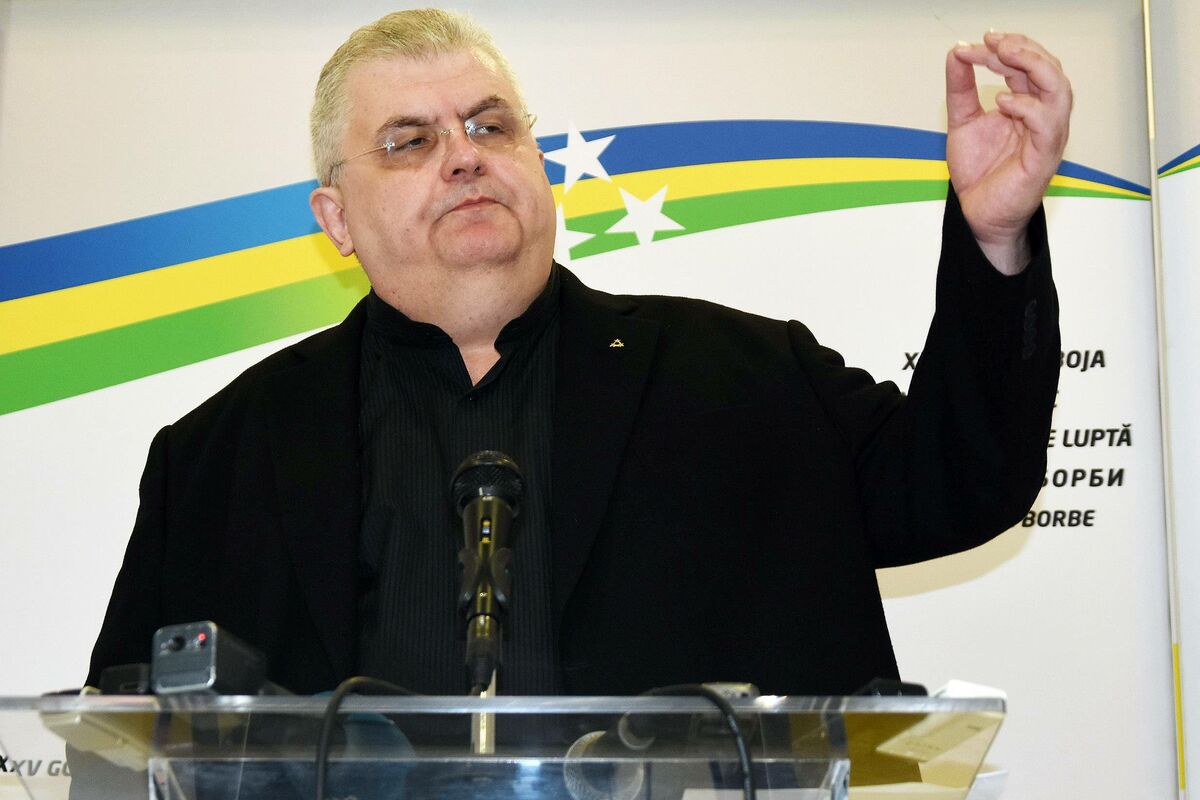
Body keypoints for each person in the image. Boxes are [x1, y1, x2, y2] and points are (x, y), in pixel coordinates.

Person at [87, 9, 1067, 697]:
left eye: (490, 124)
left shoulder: (747, 379)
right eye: (409, 140)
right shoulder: (217, 457)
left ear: (535, 161)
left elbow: (963, 480)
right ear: (335, 218)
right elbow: (126, 741)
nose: (464, 154)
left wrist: (995, 238)